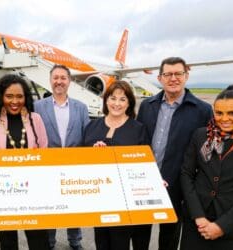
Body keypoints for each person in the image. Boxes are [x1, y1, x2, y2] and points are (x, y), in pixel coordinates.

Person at [136, 57, 213, 250]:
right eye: (168, 74)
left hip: (178, 184)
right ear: (160, 78)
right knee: (139, 233)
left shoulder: (202, 110)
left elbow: (210, 148)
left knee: (169, 236)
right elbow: (137, 140)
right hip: (145, 182)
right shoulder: (147, 106)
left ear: (186, 76)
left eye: (178, 73)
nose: (173, 78)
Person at [0, 74, 50, 250]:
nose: (14, 101)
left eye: (19, 96)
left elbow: (43, 151)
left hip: (32, 191)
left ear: (26, 97)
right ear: (1, 96)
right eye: (9, 96)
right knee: (7, 241)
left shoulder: (36, 120)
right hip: (3, 192)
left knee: (39, 239)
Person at [83, 80, 151, 250]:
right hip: (99, 197)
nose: (117, 103)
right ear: (106, 100)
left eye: (122, 99)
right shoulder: (92, 126)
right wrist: (93, 153)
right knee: (101, 241)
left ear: (129, 103)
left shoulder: (138, 129)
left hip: (125, 199)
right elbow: (81, 159)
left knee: (120, 242)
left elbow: (144, 163)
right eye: (113, 98)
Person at [180, 84, 233, 250]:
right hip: (196, 223)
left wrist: (222, 226)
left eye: (232, 113)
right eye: (219, 113)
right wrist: (198, 216)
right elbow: (186, 174)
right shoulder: (200, 136)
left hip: (232, 226)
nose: (224, 119)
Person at [34, 64, 89, 250]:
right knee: (49, 205)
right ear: (50, 80)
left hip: (74, 165)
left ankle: (75, 241)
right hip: (48, 166)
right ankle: (49, 242)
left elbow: (87, 134)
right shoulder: (37, 107)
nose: (59, 81)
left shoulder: (81, 108)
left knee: (73, 205)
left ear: (69, 81)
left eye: (63, 78)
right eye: (55, 77)